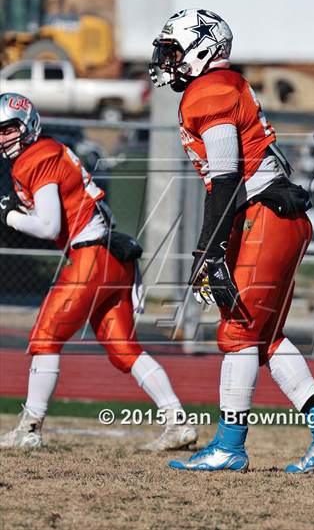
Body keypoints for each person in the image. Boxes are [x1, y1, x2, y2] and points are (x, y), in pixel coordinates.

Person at [149, 8, 314, 473]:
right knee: (263, 338)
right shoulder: (222, 85)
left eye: (174, 51)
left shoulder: (211, 90)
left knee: (237, 332)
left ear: (202, 50)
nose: (167, 60)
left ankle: (228, 446)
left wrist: (208, 250)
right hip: (276, 214)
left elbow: (224, 177)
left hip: (264, 213)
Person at [0, 92, 197, 451]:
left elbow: (46, 226)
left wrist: (8, 215)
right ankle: (177, 422)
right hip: (112, 254)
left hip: (91, 255)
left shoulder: (36, 157)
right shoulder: (52, 150)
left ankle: (29, 429)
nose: (4, 138)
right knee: (123, 349)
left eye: (9, 129)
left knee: (45, 336)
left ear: (27, 124)